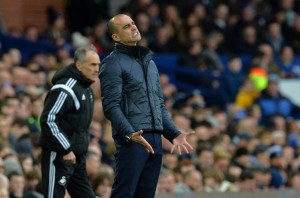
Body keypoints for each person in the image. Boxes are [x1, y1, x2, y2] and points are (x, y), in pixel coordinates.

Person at [99, 14, 193, 198]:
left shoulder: (150, 64)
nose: (133, 27)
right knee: (124, 194)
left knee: (146, 194)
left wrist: (174, 133)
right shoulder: (112, 63)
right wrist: (129, 133)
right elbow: (110, 105)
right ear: (116, 37)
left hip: (156, 139)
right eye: (126, 26)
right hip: (133, 139)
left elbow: (158, 104)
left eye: (133, 23)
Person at [39, 45, 100, 198]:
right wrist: (66, 148)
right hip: (59, 155)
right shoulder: (65, 88)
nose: (97, 68)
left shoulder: (86, 88)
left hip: (77, 157)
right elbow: (48, 120)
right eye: (92, 64)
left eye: (98, 64)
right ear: (79, 65)